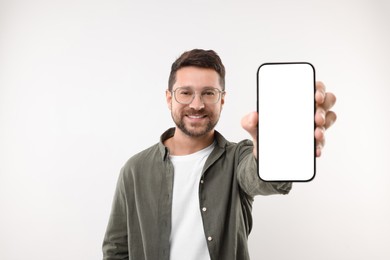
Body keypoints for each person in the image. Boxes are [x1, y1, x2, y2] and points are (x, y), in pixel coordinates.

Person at [102, 49, 337, 260]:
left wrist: (278, 149)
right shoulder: (135, 169)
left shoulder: (238, 158)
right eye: (185, 93)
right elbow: (116, 250)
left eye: (208, 93)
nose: (197, 104)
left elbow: (259, 176)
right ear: (168, 98)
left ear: (222, 99)